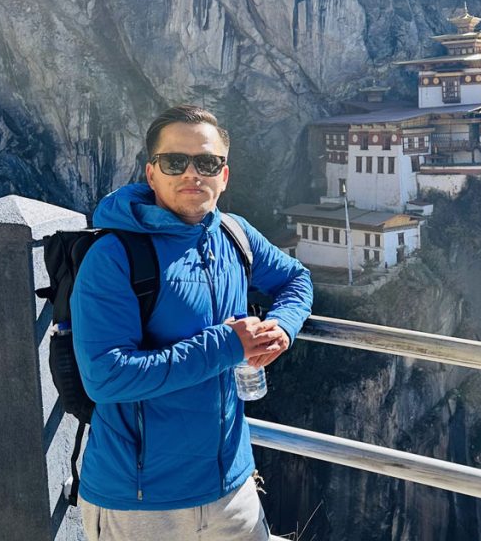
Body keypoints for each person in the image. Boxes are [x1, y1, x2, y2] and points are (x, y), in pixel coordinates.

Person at [70, 104, 313, 540]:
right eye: (174, 162)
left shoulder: (235, 235)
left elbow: (296, 278)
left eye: (207, 162)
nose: (191, 174)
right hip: (141, 502)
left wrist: (282, 327)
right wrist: (228, 345)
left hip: (231, 486)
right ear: (151, 173)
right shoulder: (114, 256)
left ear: (224, 175)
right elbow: (105, 378)